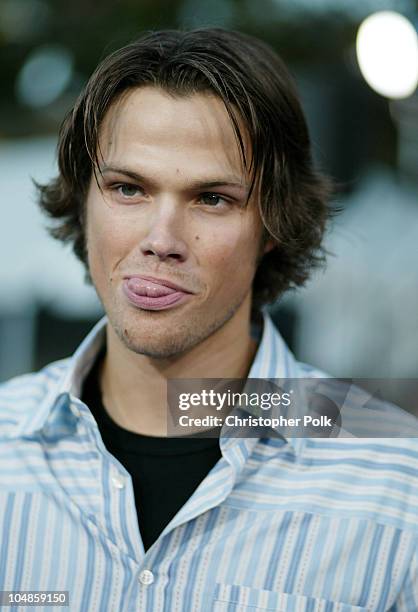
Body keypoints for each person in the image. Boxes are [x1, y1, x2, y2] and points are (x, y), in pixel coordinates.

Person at [1, 28, 417, 612]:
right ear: (83, 201)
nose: (161, 240)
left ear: (273, 226)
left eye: (212, 199)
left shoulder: (398, 477)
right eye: (127, 188)